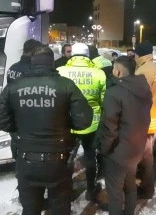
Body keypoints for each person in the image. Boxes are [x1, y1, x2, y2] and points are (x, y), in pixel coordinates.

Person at [0, 45, 93, 215]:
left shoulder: (14, 87)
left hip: (25, 158)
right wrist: (64, 124)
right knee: (60, 208)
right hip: (58, 161)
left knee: (30, 209)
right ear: (51, 63)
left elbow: (0, 121)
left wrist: (20, 128)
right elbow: (84, 121)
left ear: (32, 63)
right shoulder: (66, 85)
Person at [100, 56, 152, 215]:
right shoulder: (143, 88)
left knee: (115, 194)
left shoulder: (114, 93)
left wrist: (104, 149)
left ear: (118, 71)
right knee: (130, 187)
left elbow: (110, 128)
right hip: (136, 148)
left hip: (118, 152)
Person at [57, 43, 107, 202]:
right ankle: (91, 190)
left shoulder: (60, 72)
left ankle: (65, 191)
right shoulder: (99, 74)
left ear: (72, 54)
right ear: (87, 56)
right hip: (92, 123)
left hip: (68, 123)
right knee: (90, 157)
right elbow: (104, 101)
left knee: (66, 158)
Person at [134, 41, 156, 199]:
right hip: (153, 117)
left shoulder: (143, 71)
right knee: (147, 154)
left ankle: (146, 189)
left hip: (143, 120)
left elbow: (138, 97)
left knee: (145, 157)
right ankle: (143, 183)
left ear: (139, 54)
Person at [6, 39, 43, 158]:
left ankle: (16, 163)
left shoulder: (13, 68)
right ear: (33, 52)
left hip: (13, 113)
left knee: (16, 142)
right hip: (28, 116)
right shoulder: (32, 70)